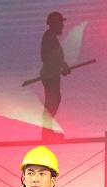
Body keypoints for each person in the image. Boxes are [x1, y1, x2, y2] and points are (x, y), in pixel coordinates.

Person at [40, 11, 70, 141]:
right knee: (51, 103)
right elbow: (52, 57)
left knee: (53, 102)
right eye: (60, 23)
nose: (62, 26)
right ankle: (47, 133)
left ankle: (47, 132)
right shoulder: (49, 38)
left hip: (51, 74)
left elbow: (56, 57)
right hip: (50, 75)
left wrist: (63, 66)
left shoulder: (51, 38)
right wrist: (62, 66)